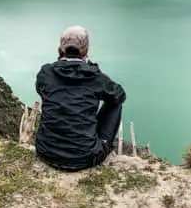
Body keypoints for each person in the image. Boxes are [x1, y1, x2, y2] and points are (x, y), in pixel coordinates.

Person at [34, 25, 126, 171]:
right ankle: (98, 142)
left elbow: (41, 90)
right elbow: (120, 95)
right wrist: (92, 69)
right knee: (115, 103)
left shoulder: (46, 73)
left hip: (46, 153)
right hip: (85, 158)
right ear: (87, 49)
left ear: (60, 48)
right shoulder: (95, 78)